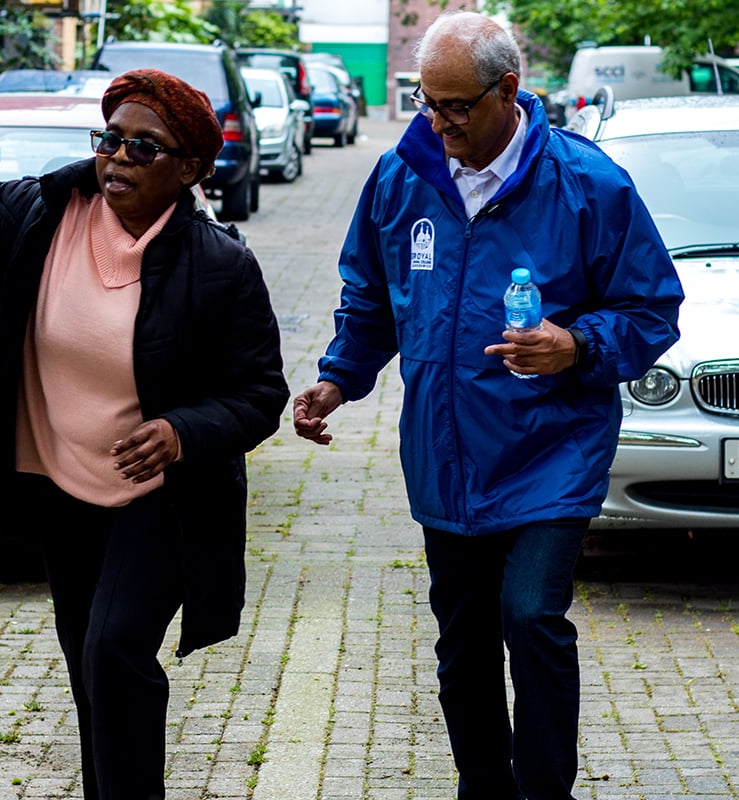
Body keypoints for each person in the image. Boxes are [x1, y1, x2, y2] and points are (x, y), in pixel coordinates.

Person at [292, 11, 682, 800]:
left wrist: (576, 345)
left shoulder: (589, 184)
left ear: (508, 89)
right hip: (446, 457)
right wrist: (337, 379)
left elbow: (652, 309)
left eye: (455, 107)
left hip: (552, 453)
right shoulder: (402, 176)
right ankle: (484, 786)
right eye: (425, 102)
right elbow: (372, 296)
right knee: (463, 643)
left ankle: (543, 791)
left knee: (531, 617)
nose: (437, 124)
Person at [0, 69, 289, 800]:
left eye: (145, 147)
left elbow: (260, 393)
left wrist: (180, 431)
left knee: (115, 650)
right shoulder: (41, 212)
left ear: (189, 170)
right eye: (110, 140)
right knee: (88, 666)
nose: (118, 158)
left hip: (159, 498)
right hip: (62, 490)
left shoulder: (220, 265)